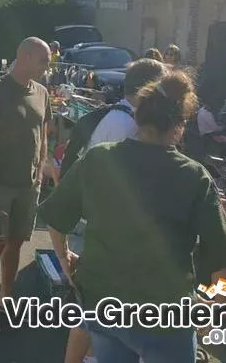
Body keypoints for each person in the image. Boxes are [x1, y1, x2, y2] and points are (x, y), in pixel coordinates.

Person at [38, 71, 226, 362]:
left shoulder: (99, 159)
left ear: (138, 116)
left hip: (102, 302)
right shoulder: (193, 176)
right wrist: (213, 311)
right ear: (179, 126)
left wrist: (64, 257)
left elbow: (56, 216)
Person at [62, 58, 167, 363]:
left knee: (91, 310)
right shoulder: (128, 127)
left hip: (91, 221)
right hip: (103, 227)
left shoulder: (114, 117)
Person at [0, 38, 51, 335]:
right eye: (44, 60)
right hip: (0, 183)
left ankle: (6, 297)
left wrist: (40, 171)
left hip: (27, 185)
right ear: (25, 56)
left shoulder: (42, 93)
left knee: (17, 241)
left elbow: (44, 137)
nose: (48, 66)